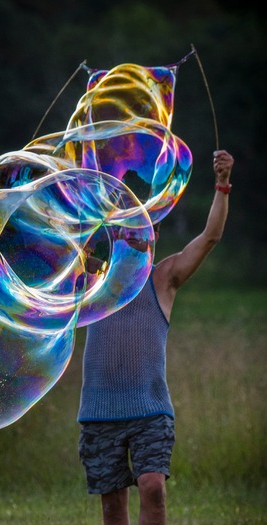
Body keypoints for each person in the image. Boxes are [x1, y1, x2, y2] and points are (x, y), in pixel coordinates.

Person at [78, 150, 234, 525]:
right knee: (113, 507)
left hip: (150, 410)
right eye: (132, 229)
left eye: (149, 229)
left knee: (153, 487)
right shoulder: (94, 282)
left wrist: (222, 184)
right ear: (118, 236)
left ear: (155, 237)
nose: (141, 237)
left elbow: (210, 236)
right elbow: (71, 234)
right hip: (100, 412)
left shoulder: (163, 279)